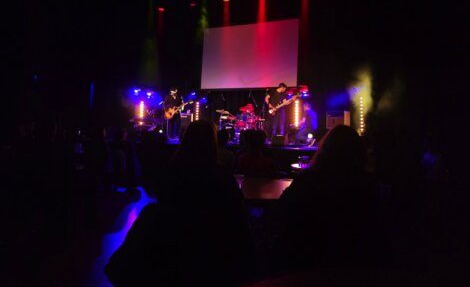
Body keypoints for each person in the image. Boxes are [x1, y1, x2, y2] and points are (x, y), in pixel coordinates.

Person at [105, 120, 256, 287]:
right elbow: (235, 208)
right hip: (213, 249)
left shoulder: (171, 170)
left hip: (170, 245)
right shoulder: (221, 175)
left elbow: (162, 196)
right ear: (213, 142)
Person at [271, 125, 390, 272]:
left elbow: (282, 211)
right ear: (359, 152)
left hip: (306, 262)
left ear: (325, 150)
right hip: (356, 263)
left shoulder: (308, 180)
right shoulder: (369, 184)